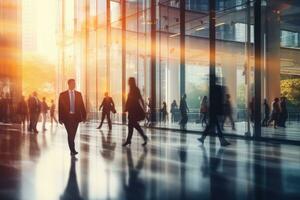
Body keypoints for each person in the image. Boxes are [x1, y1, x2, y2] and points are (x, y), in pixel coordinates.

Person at [59, 79, 87, 156]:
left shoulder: (78, 94)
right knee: (70, 133)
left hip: (76, 117)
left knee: (73, 134)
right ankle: (72, 149)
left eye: (75, 83)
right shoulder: (62, 94)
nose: (74, 85)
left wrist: (84, 116)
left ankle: (72, 149)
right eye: (73, 83)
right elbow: (60, 107)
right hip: (66, 118)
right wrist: (60, 118)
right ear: (69, 84)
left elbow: (82, 106)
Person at [123, 77, 148, 147]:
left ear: (131, 82)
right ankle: (142, 137)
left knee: (132, 125)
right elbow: (131, 100)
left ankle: (129, 140)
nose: (128, 83)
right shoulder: (132, 89)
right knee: (132, 125)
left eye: (129, 81)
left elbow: (139, 98)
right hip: (132, 110)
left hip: (134, 110)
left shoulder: (135, 89)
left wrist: (144, 108)